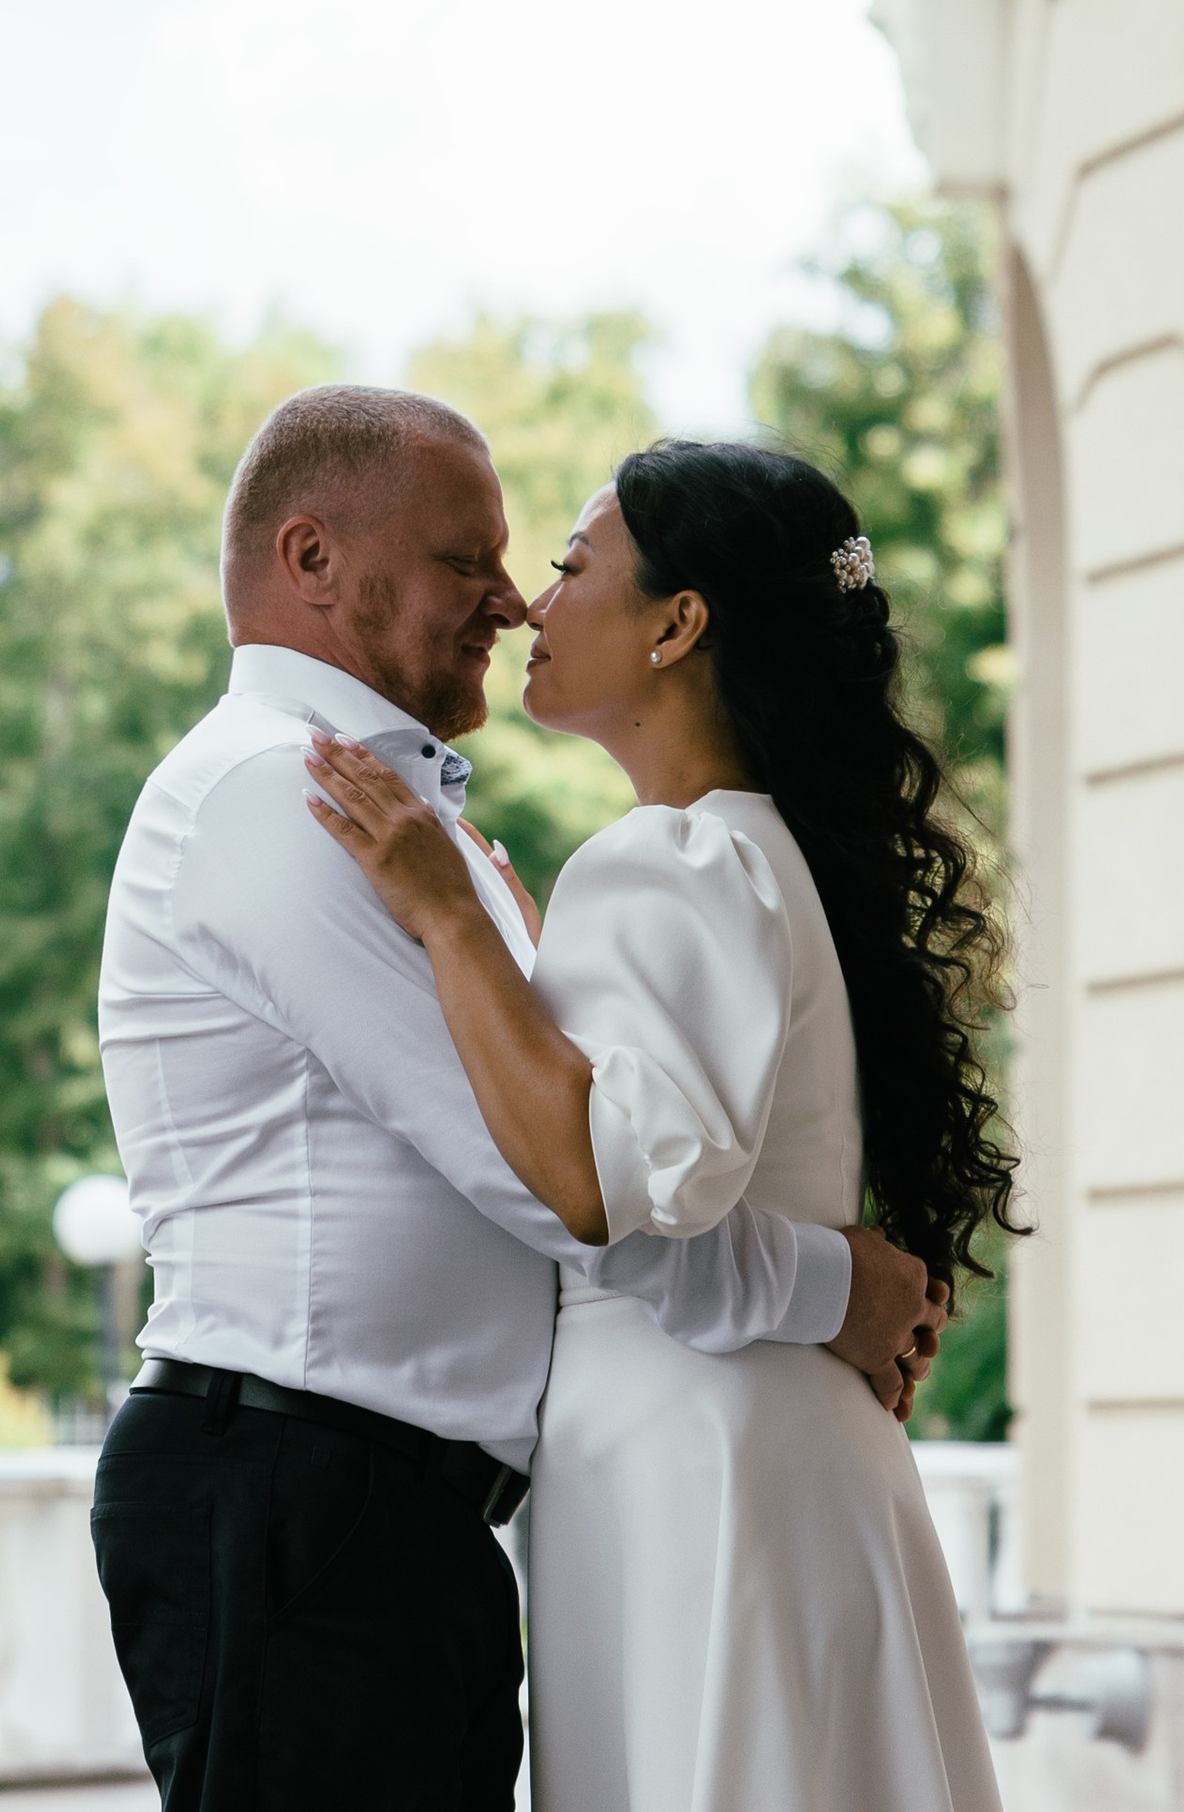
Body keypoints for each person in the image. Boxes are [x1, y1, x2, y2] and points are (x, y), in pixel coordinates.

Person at [89, 385, 948, 1812]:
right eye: (465, 561)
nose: (509, 600)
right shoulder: (286, 801)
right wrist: (836, 1293)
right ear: (310, 559)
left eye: (532, 562)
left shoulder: (437, 836)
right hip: (300, 1494)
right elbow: (565, 1185)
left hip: (395, 1513)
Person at [309, 434, 1016, 1812]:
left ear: (679, 624)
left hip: (697, 1463)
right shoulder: (763, 852)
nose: (527, 603)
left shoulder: (664, 858)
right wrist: (842, 1288)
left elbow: (618, 1202)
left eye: (573, 567)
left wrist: (448, 921)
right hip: (768, 1446)